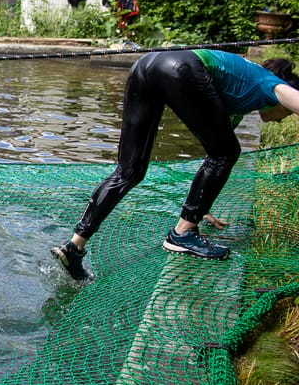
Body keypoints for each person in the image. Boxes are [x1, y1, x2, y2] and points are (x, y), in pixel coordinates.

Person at [52, 49, 299, 281]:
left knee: (129, 171)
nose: (280, 121)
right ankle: (182, 234)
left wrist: (202, 207)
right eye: (286, 114)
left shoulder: (242, 91)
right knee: (228, 151)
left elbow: (214, 158)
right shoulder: (272, 85)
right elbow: (224, 154)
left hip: (146, 65)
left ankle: (74, 247)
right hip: (180, 67)